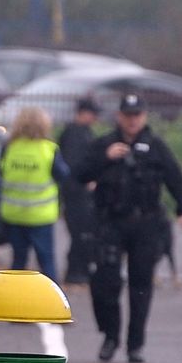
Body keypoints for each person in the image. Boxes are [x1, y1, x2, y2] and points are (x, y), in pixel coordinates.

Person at [74, 92, 182, 363]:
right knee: (105, 282)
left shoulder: (155, 146)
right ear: (119, 117)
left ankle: (135, 344)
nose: (132, 121)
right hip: (110, 222)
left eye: (136, 116)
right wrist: (105, 158)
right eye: (127, 116)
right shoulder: (104, 143)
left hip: (146, 224)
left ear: (144, 117)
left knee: (141, 285)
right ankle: (110, 336)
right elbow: (79, 173)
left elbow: (176, 180)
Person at [0, 106, 71, 284]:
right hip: (40, 215)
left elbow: (1, 172)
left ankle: (13, 304)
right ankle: (53, 305)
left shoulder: (10, 148)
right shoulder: (49, 149)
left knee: (18, 262)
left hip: (14, 214)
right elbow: (63, 175)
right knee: (46, 262)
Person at [57, 97, 100, 286]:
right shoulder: (74, 133)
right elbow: (74, 164)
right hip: (76, 192)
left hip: (80, 192)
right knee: (79, 232)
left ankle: (81, 269)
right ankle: (75, 272)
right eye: (93, 114)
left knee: (85, 232)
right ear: (83, 113)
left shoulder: (83, 132)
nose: (95, 118)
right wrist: (87, 180)